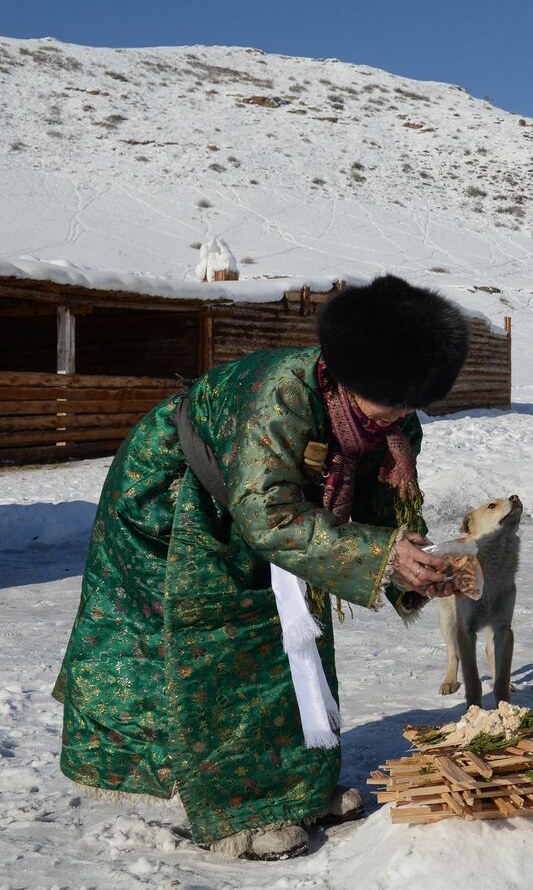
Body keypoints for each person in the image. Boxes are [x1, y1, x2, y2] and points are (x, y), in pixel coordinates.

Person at [51, 275, 475, 860]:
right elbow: (269, 516)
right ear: (351, 377)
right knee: (222, 643)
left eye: (410, 405)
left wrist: (412, 565)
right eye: (391, 402)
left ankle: (295, 784)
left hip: (270, 509)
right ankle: (233, 805)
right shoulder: (279, 397)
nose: (398, 417)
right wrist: (378, 555)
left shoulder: (392, 422)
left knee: (298, 629)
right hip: (185, 499)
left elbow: (382, 511)